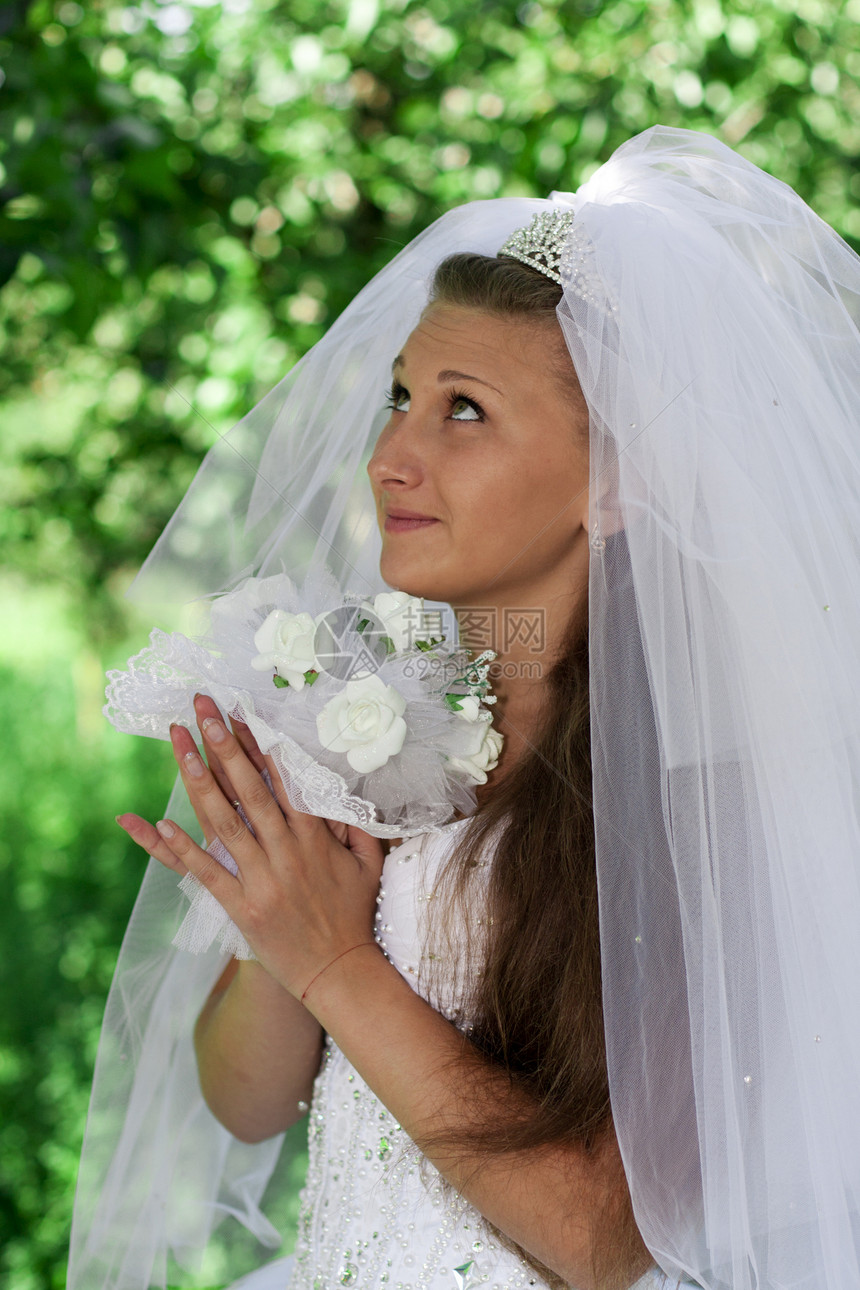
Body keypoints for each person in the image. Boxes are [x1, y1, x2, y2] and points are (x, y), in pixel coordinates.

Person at [69, 126, 860, 1290]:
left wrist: (341, 963)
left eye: (465, 410)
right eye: (400, 397)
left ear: (613, 484)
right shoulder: (365, 720)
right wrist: (276, 912)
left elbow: (601, 1242)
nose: (391, 454)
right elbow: (244, 1105)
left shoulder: (700, 790)